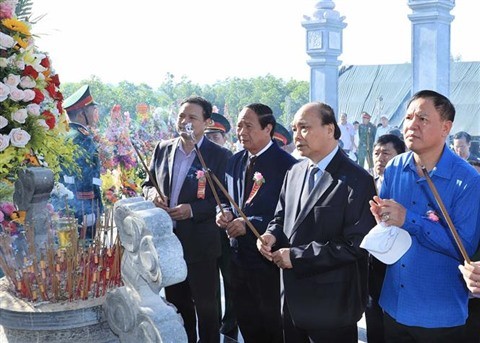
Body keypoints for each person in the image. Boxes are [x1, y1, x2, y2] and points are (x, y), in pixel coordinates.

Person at [257, 102, 376, 342]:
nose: (297, 135)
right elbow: (281, 217)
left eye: (304, 128)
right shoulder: (295, 172)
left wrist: (296, 256)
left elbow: (355, 245)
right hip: (291, 300)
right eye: (294, 129)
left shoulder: (357, 180)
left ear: (330, 129)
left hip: (331, 305)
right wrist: (270, 234)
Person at [369, 90, 480, 342]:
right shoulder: (396, 167)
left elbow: (464, 246)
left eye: (423, 119)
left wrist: (410, 219)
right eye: (408, 118)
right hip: (393, 305)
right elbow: (389, 224)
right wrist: (383, 219)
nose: (412, 125)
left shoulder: (468, 180)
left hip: (439, 314)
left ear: (445, 127)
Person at [143, 96, 231, 343]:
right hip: (168, 242)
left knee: (206, 306)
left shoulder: (219, 156)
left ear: (206, 122)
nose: (185, 122)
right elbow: (147, 183)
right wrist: (152, 196)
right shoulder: (163, 148)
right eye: (182, 116)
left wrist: (192, 209)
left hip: (201, 242)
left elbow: (224, 199)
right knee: (177, 305)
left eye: (192, 117)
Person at [216, 103, 297, 343]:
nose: (241, 132)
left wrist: (250, 223)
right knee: (246, 321)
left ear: (268, 128)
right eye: (239, 125)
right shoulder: (234, 161)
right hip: (237, 257)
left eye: (248, 126)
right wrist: (223, 214)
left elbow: (289, 213)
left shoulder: (287, 165)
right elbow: (225, 198)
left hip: (269, 259)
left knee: (272, 325)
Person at [366, 134, 406, 343]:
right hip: (373, 265)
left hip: (398, 264)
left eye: (386, 153)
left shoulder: (405, 187)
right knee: (373, 318)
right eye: (376, 153)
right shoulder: (365, 182)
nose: (380, 158)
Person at [205, 112, 238, 341]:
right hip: (204, 231)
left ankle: (230, 327)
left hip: (226, 233)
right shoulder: (197, 157)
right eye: (208, 136)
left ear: (224, 138)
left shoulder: (230, 159)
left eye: (215, 136)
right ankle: (213, 327)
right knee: (209, 287)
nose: (211, 141)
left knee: (231, 281)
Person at [61, 85, 103, 239]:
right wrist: (90, 211)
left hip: (68, 206)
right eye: (92, 109)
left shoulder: (65, 135)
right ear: (82, 113)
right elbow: (84, 177)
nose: (95, 113)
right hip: (82, 209)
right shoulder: (81, 137)